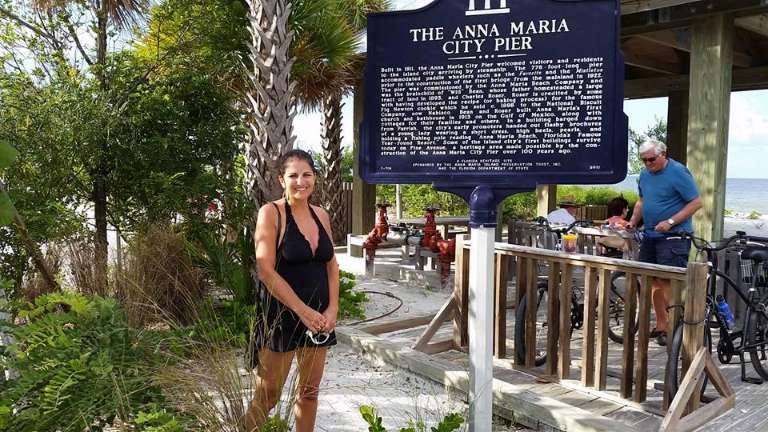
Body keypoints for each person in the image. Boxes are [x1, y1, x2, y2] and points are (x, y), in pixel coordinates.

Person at [246, 149, 339, 432]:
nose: (301, 181)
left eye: (307, 174)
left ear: (315, 178)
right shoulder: (271, 213)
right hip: (282, 316)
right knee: (268, 395)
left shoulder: (321, 215)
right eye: (293, 175)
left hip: (320, 318)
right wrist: (302, 311)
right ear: (281, 180)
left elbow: (332, 266)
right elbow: (265, 271)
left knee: (309, 393)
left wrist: (332, 309)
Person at [627, 140, 703, 346]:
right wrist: (633, 221)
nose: (648, 164)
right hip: (651, 235)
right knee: (651, 280)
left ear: (663, 154)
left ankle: (675, 328)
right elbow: (642, 201)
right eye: (643, 160)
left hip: (675, 236)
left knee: (670, 282)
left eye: (651, 159)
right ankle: (661, 324)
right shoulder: (644, 174)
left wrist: (670, 221)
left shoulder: (678, 172)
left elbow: (697, 202)